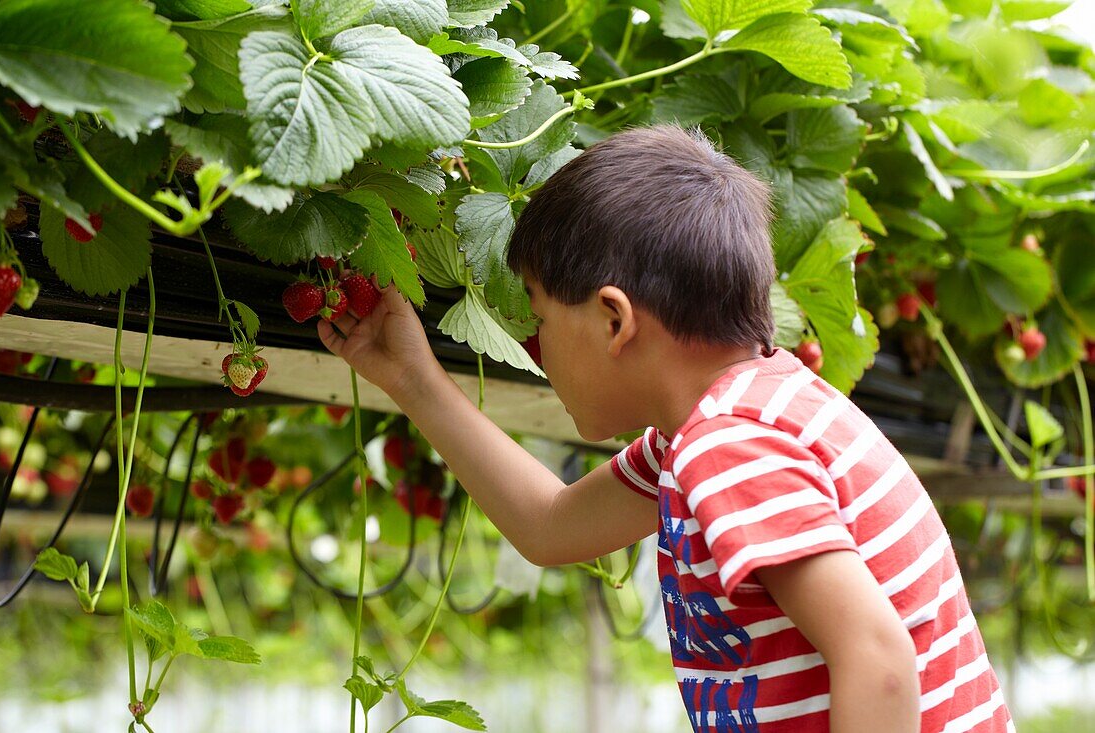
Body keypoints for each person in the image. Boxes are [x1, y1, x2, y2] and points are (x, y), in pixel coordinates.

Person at [317, 124, 1012, 732]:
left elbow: (879, 661)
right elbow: (551, 525)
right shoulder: (733, 419)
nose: (536, 344)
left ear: (614, 320)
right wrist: (410, 378)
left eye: (542, 318)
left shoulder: (731, 444)